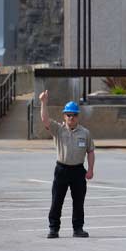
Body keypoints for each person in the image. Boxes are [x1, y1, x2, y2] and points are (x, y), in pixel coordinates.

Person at [38, 90, 95, 239]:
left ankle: (78, 229)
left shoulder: (85, 133)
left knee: (78, 202)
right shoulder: (58, 129)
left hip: (78, 171)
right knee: (57, 200)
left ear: (78, 116)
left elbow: (90, 151)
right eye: (68, 115)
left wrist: (90, 170)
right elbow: (45, 120)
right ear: (64, 116)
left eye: (74, 115)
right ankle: (53, 229)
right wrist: (43, 102)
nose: (71, 117)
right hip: (62, 169)